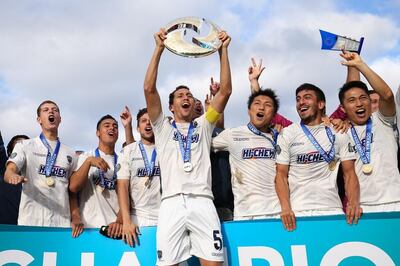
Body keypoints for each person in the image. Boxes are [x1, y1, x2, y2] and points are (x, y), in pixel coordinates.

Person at [143, 28, 232, 265]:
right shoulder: (162, 127)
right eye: (181, 95)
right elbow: (149, 90)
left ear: (194, 104)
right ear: (171, 106)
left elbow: (226, 91)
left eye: (190, 95)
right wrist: (159, 49)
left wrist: (223, 51)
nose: (186, 97)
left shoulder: (204, 125)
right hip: (171, 202)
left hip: (203, 201)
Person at [275, 84, 362, 231]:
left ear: (321, 104)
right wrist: (285, 208)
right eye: (298, 99)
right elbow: (281, 175)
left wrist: (353, 203)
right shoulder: (287, 133)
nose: (301, 102)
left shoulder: (338, 133)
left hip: (332, 209)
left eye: (307, 97)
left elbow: (349, 173)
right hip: (297, 212)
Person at [338, 51, 400, 212]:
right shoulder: (340, 131)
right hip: (363, 208)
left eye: (363, 98)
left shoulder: (383, 120)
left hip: (395, 201)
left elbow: (386, 95)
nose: (359, 103)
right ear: (343, 108)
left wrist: (360, 65)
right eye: (352, 101)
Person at [4, 100, 77, 227]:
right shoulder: (25, 145)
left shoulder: (71, 153)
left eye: (55, 110)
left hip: (61, 223)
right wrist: (12, 175)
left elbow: (73, 190)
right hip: (31, 221)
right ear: (39, 119)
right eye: (46, 110)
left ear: (60, 119)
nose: (51, 111)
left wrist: (76, 216)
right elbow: (9, 170)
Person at [212, 88, 281, 220]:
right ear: (249, 110)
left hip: (277, 212)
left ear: (273, 114)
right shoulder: (232, 134)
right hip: (245, 214)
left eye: (267, 105)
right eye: (257, 103)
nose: (261, 107)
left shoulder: (281, 137)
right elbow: (200, 146)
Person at [69, 115, 122, 237]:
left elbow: (128, 196)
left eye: (115, 126)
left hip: (115, 228)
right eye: (107, 125)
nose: (112, 128)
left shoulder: (122, 160)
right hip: (89, 228)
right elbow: (73, 188)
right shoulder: (85, 157)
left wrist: (120, 221)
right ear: (98, 133)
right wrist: (88, 163)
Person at [118, 108, 161, 246]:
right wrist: (126, 221)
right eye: (143, 121)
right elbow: (122, 186)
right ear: (138, 127)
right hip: (137, 218)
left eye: (151, 121)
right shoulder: (128, 151)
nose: (148, 124)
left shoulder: (166, 148)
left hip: (164, 216)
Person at [0, 134, 29, 225]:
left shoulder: (41, 173)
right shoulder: (3, 168)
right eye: (18, 144)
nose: (21, 145)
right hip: (6, 228)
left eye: (25, 144)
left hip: (31, 228)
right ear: (10, 152)